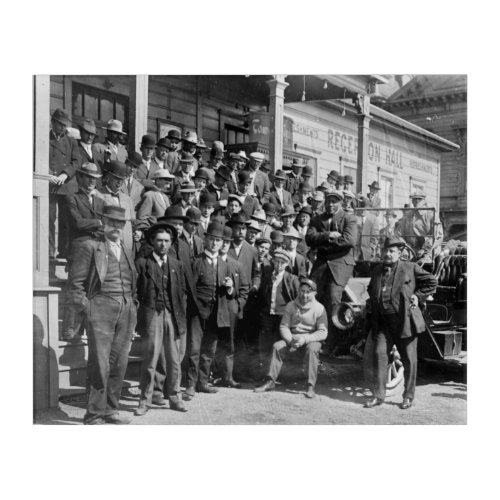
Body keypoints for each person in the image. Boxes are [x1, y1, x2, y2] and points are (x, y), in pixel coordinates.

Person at [69, 205, 137, 424]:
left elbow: (132, 281)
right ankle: (94, 414)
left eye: (120, 223)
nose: (116, 226)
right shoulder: (90, 246)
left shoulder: (126, 248)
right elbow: (76, 284)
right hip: (100, 308)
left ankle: (110, 410)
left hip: (126, 309)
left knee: (120, 362)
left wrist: (132, 305)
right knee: (100, 363)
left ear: (124, 226)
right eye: (111, 222)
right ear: (104, 223)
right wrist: (87, 309)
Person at [364, 237, 437, 409]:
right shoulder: (376, 270)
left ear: (399, 253)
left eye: (391, 251)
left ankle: (408, 396)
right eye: (385, 251)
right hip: (382, 322)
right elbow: (370, 288)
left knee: (409, 360)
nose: (387, 254)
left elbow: (432, 281)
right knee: (380, 355)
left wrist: (417, 296)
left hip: (404, 321)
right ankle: (378, 395)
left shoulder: (409, 268)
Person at [135, 222, 188, 415]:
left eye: (167, 241)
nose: (163, 244)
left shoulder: (176, 265)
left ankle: (175, 397)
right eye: (159, 241)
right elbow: (137, 292)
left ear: (171, 242)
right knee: (150, 360)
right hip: (152, 316)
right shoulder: (142, 263)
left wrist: (179, 317)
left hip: (172, 315)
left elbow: (181, 292)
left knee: (174, 360)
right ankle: (144, 401)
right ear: (152, 241)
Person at [185, 221, 236, 399]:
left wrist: (230, 287)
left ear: (222, 243)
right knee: (194, 349)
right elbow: (188, 289)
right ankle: (190, 384)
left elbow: (229, 292)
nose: (215, 243)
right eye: (212, 239)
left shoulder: (224, 264)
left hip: (216, 313)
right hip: (197, 312)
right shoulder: (196, 261)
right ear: (206, 240)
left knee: (209, 350)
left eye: (218, 241)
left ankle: (203, 383)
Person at [254, 278, 328, 399]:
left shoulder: (320, 308)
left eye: (308, 292)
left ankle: (310, 386)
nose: (304, 295)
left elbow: (323, 332)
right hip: (293, 339)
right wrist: (290, 341)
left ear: (314, 293)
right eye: (302, 291)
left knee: (312, 349)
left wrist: (305, 339)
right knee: (277, 346)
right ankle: (270, 381)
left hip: (310, 340)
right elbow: (284, 326)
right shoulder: (291, 305)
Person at [306, 190, 357, 355]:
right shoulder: (317, 218)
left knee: (333, 299)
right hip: (321, 265)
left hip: (340, 264)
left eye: (334, 201)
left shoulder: (349, 218)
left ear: (341, 203)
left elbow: (349, 240)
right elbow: (309, 238)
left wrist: (323, 244)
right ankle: (309, 336)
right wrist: (328, 235)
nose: (330, 204)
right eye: (328, 201)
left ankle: (331, 343)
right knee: (309, 295)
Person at [63, 162, 105, 342]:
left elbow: (106, 226)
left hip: (97, 246)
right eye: (87, 177)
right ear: (79, 178)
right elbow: (77, 223)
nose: (91, 182)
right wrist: (98, 223)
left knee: (93, 288)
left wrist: (97, 225)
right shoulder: (71, 198)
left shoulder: (100, 202)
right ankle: (70, 330)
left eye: (94, 179)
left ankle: (85, 330)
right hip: (79, 248)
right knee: (76, 288)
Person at [254, 250, 300, 376]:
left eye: (282, 262)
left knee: (280, 346)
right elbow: (262, 296)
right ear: (273, 262)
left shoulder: (292, 279)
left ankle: (281, 375)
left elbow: (297, 300)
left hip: (282, 319)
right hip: (268, 317)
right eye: (277, 262)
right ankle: (265, 374)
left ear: (287, 264)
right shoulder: (267, 278)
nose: (279, 265)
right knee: (265, 345)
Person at [216, 226, 250, 387]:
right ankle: (209, 375)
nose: (224, 245)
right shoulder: (211, 261)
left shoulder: (236, 265)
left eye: (227, 242)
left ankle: (228, 377)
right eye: (221, 241)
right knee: (212, 341)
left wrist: (237, 303)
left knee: (229, 343)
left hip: (230, 309)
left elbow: (244, 289)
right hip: (213, 308)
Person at [49, 108, 81, 259]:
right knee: (48, 219)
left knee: (66, 221)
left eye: (65, 125)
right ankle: (48, 253)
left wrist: (64, 174)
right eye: (60, 124)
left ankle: (64, 252)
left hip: (66, 185)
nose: (63, 127)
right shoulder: (43, 138)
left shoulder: (71, 141)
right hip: (49, 184)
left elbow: (76, 162)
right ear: (53, 122)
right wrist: (48, 174)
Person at [95, 160, 136, 252]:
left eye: (122, 179)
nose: (119, 182)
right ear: (108, 177)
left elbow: (132, 222)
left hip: (126, 247)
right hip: (106, 246)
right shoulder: (97, 195)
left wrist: (138, 232)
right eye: (116, 178)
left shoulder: (128, 199)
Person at [398, 191, 444, 264]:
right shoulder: (408, 215)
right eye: (414, 199)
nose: (416, 201)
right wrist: (403, 248)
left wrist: (424, 249)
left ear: (424, 201)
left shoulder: (431, 214)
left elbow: (437, 236)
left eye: (419, 199)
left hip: (430, 249)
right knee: (398, 263)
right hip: (410, 249)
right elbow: (400, 234)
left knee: (423, 264)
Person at [354, 201, 380, 277]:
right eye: (361, 209)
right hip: (355, 251)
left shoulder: (373, 219)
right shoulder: (355, 218)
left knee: (367, 273)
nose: (362, 211)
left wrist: (371, 248)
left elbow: (375, 236)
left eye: (365, 209)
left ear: (368, 209)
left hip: (367, 251)